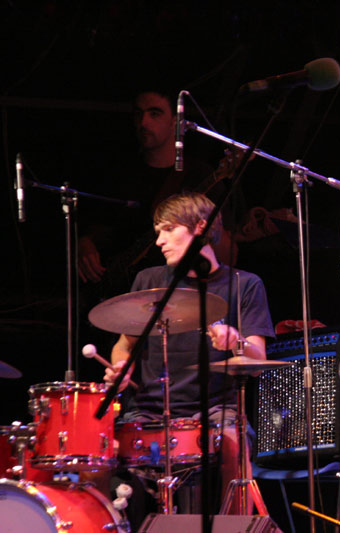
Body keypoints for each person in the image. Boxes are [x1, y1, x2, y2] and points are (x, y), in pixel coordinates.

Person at [103, 192, 274, 521]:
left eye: (168, 229)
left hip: (216, 408)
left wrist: (236, 341)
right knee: (97, 450)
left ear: (200, 227)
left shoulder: (245, 285)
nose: (159, 241)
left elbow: (256, 360)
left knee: (234, 440)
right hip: (149, 408)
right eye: (158, 232)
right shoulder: (149, 281)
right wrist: (121, 367)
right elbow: (125, 345)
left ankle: (234, 526)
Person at [78, 87, 237, 295]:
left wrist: (208, 226)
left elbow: (228, 257)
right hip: (118, 292)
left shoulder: (200, 174)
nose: (143, 123)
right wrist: (85, 243)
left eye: (154, 114)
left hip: (178, 291)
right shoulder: (118, 173)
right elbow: (100, 228)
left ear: (175, 122)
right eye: (138, 114)